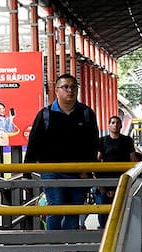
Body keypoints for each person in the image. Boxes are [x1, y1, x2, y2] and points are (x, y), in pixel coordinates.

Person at [24, 73, 101, 235]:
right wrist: (26, 172)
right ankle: (56, 248)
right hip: (52, 171)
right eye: (65, 87)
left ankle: (69, 247)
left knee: (73, 211)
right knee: (55, 208)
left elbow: (93, 143)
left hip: (79, 172)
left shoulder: (86, 113)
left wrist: (89, 169)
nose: (70, 91)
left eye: (73, 87)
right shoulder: (45, 115)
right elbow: (33, 143)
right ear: (56, 90)